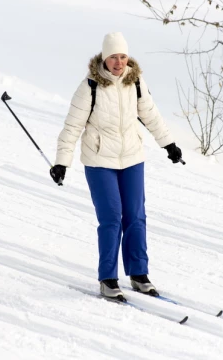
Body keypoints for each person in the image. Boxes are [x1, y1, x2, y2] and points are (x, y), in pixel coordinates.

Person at [49, 32, 184, 300]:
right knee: (112, 217)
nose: (119, 62)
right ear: (104, 58)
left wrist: (169, 144)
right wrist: (62, 162)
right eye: (113, 57)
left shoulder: (135, 82)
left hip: (132, 157)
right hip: (100, 160)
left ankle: (138, 274)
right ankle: (108, 279)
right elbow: (72, 126)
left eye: (122, 56)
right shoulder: (89, 86)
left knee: (135, 216)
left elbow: (151, 115)